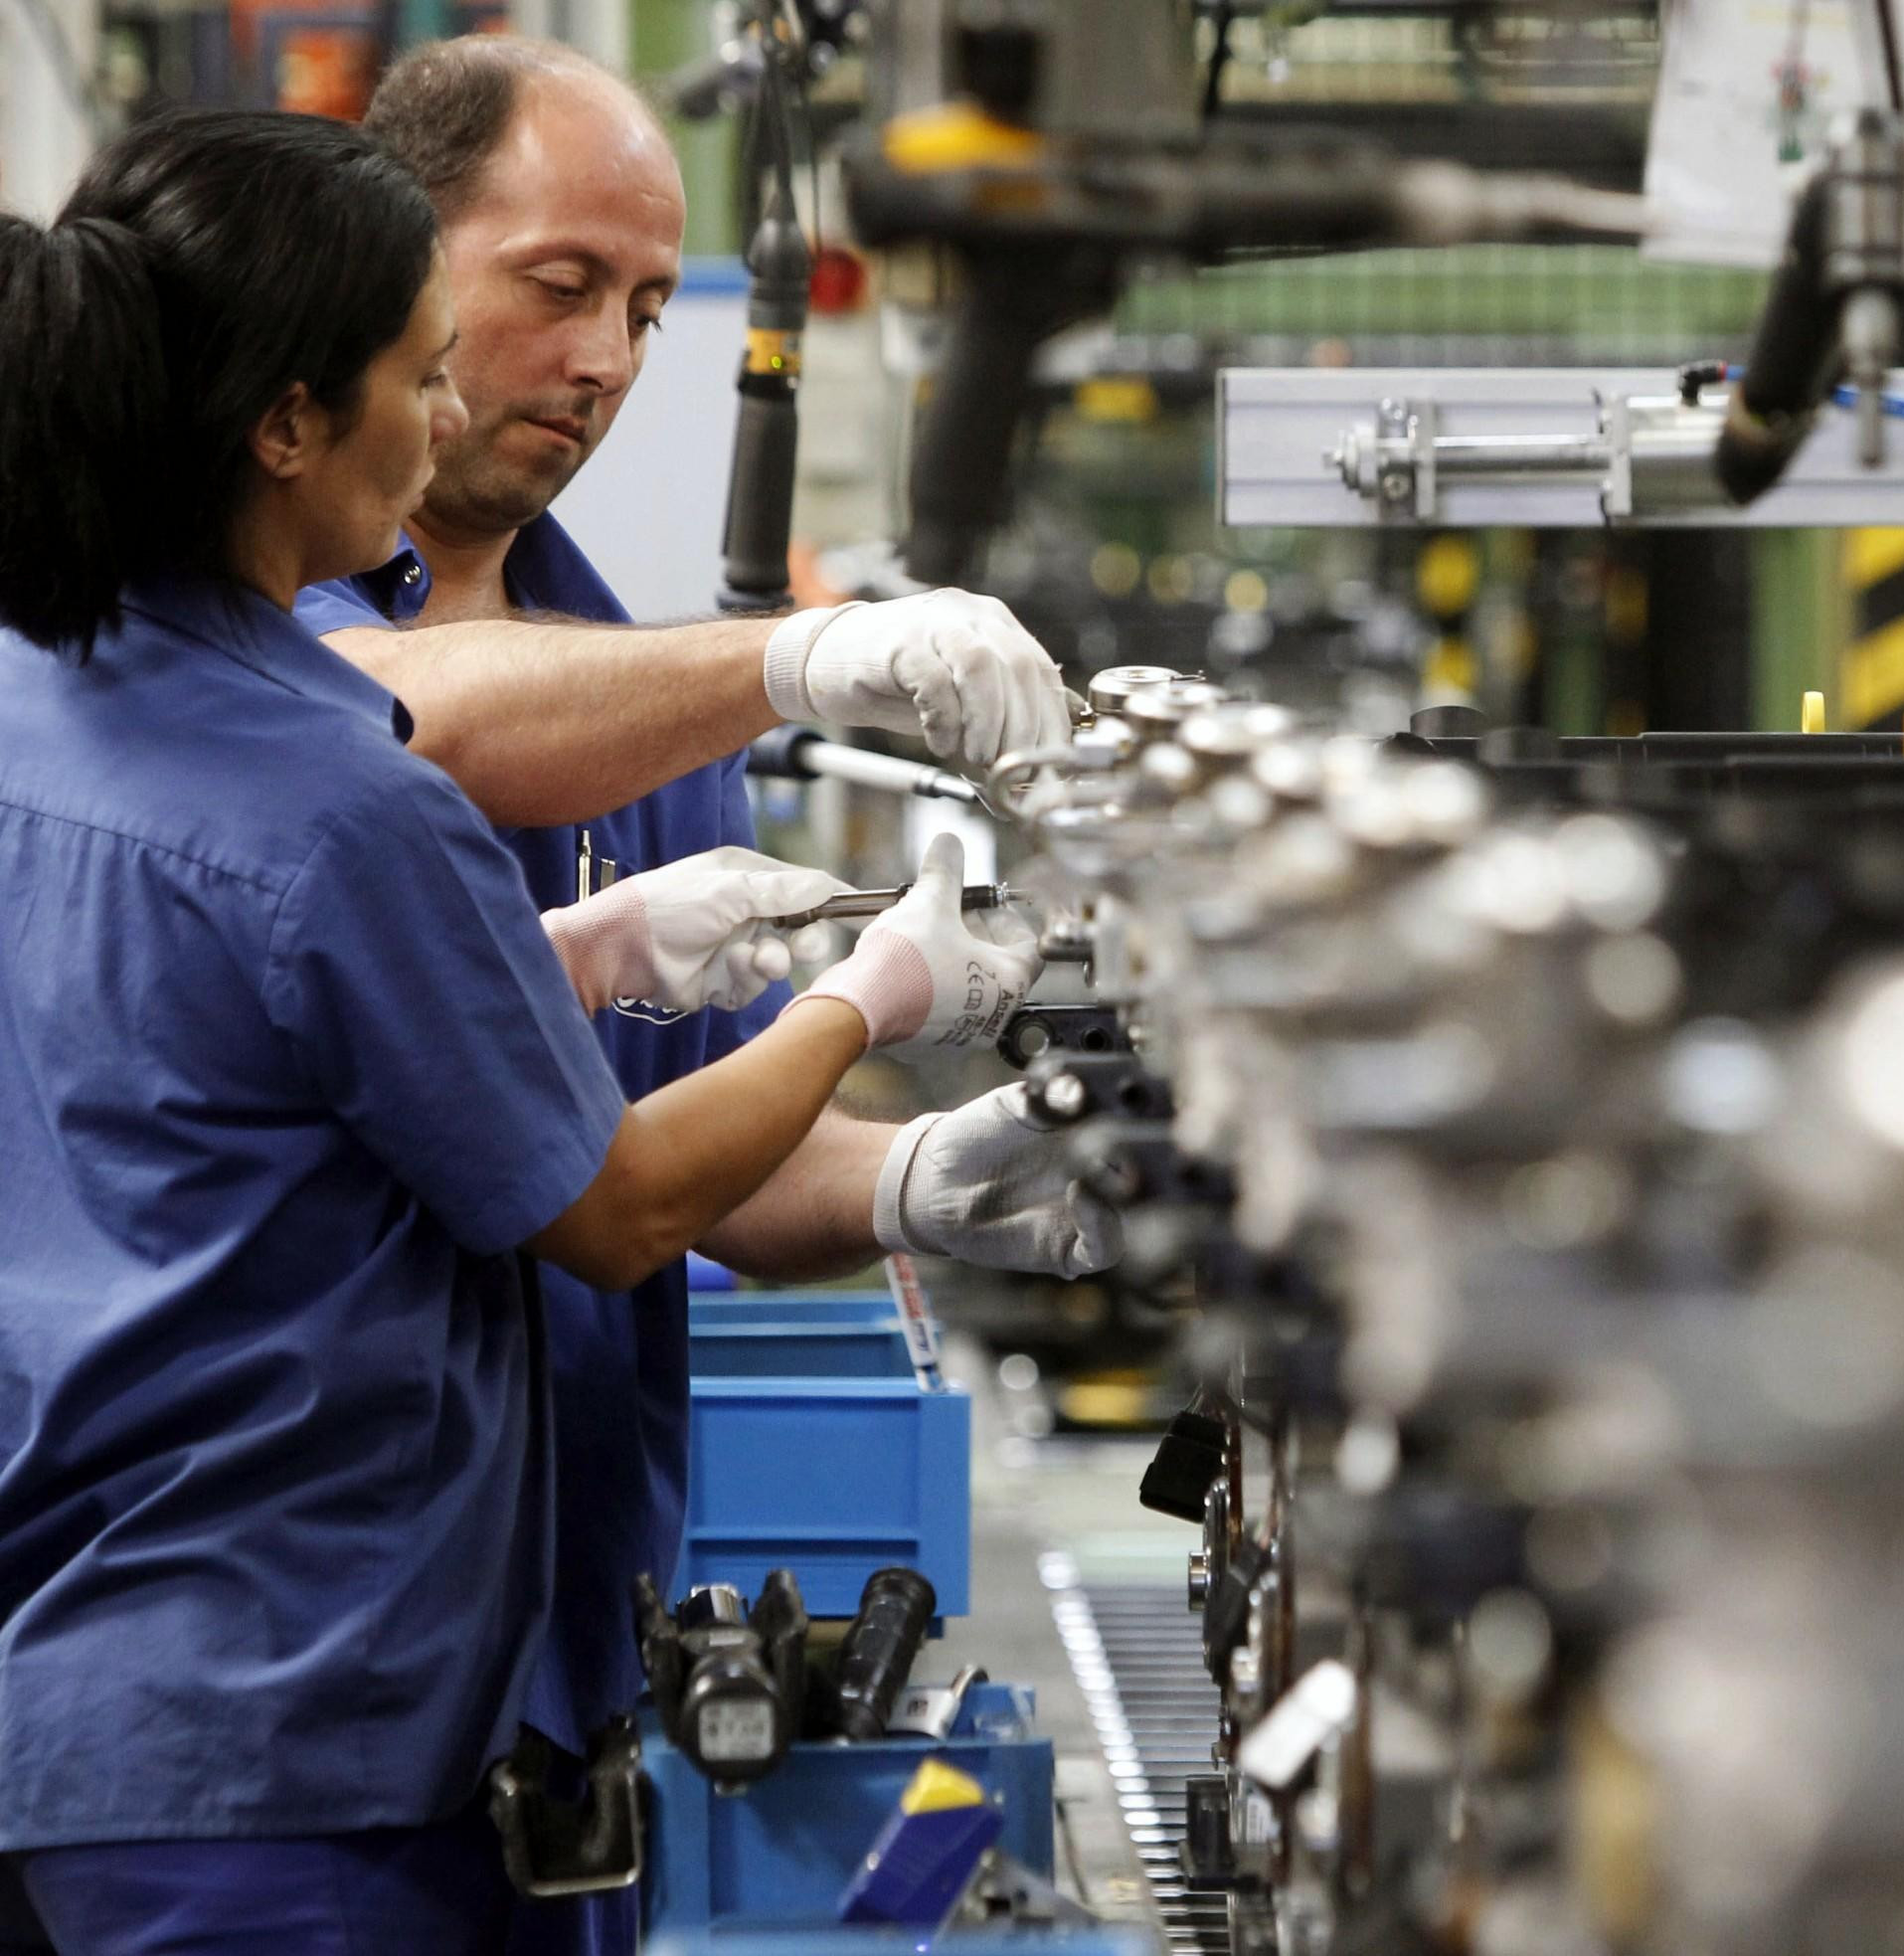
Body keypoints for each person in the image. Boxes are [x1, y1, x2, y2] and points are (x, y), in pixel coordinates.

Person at [0, 108, 1030, 1953]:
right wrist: (870, 1000)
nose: (468, 408)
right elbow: (620, 1202)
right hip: (304, 1728)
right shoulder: (328, 784)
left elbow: (237, 1065)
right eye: (432, 363)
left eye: (649, 303)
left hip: (144, 1702)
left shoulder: (43, 716)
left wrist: (907, 1165)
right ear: (287, 420)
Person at [305, 40, 1119, 1956]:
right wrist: (808, 652)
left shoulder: (652, 705)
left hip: (560, 1655)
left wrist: (925, 1170)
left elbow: (693, 1159)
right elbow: (394, 721)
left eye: (652, 309)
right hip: (303, 1634)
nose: (604, 360)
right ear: (393, 269)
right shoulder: (240, 618)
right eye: (560, 284)